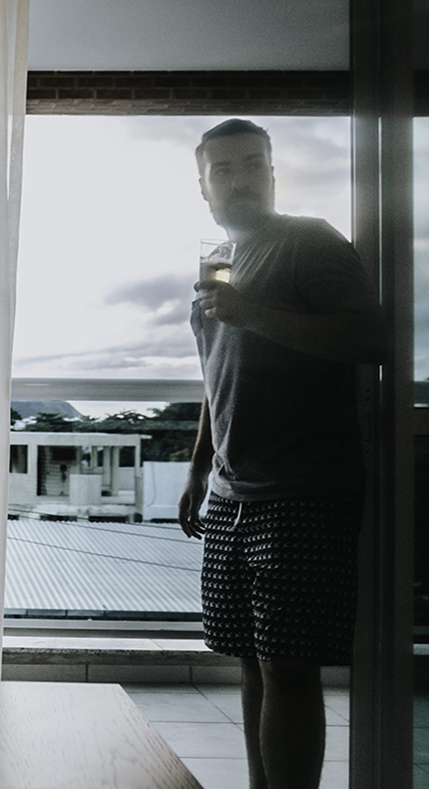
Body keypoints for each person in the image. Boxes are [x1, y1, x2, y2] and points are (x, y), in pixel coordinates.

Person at [179, 118, 388, 789]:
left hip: (304, 490)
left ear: (272, 174)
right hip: (231, 492)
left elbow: (370, 338)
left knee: (288, 668)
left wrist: (252, 313)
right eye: (224, 168)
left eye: (253, 164)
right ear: (204, 184)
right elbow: (217, 374)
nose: (240, 179)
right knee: (249, 659)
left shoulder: (308, 241)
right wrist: (198, 468)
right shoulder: (220, 259)